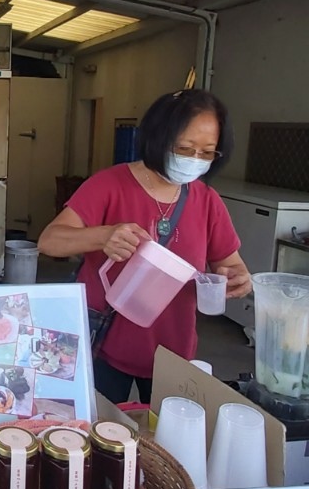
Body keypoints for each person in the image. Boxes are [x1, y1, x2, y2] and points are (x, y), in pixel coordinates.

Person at [37, 88, 252, 403]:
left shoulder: (207, 201)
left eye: (207, 152)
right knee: (100, 438)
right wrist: (103, 236)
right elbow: (49, 241)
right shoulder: (109, 184)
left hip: (174, 353)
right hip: (102, 345)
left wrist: (238, 278)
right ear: (157, 137)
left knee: (164, 444)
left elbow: (230, 264)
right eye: (185, 147)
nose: (194, 160)